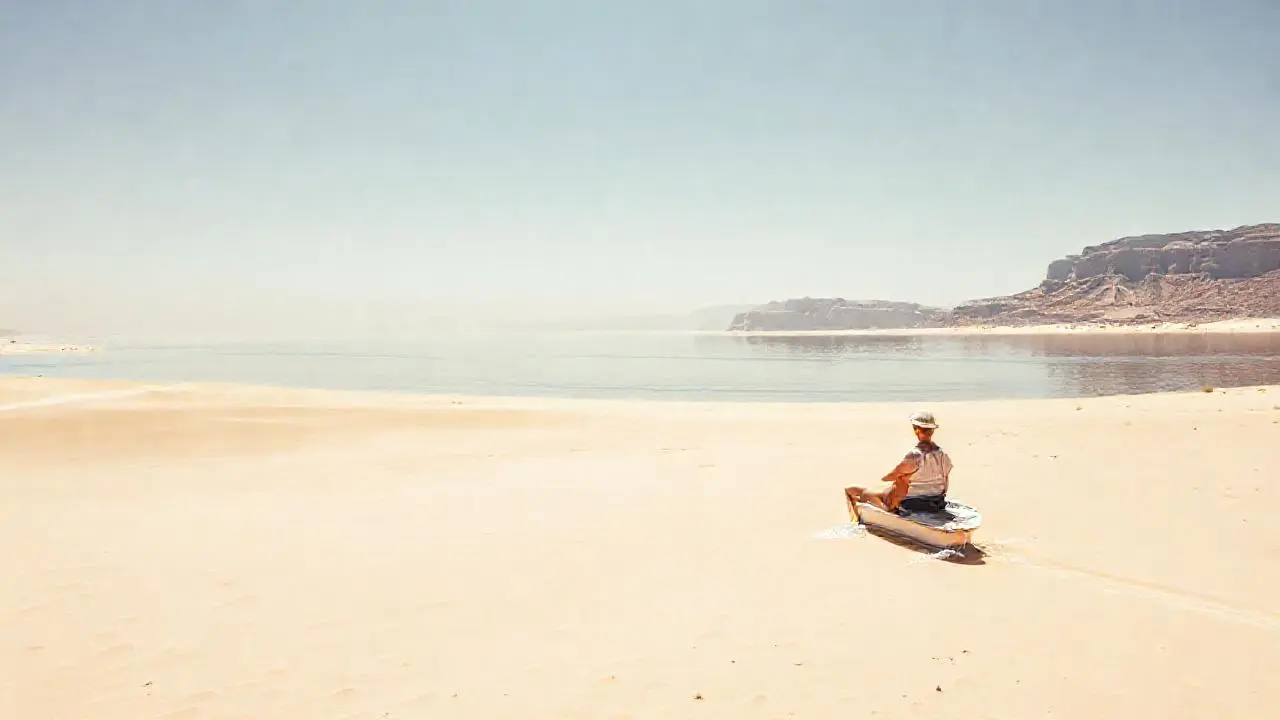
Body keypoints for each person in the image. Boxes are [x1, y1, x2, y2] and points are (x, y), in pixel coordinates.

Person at [844, 410, 953, 519]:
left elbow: (890, 476)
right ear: (932, 431)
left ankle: (885, 516)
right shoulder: (943, 455)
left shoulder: (915, 455)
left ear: (916, 430)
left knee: (867, 494)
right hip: (937, 501)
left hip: (914, 503)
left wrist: (895, 476)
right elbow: (945, 480)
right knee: (881, 489)